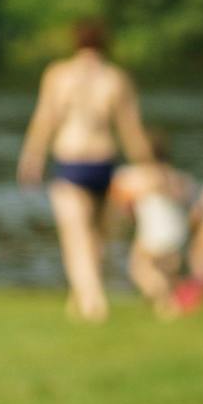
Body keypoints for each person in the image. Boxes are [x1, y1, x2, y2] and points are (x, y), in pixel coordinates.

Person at [17, 22, 153, 321]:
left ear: (75, 42)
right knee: (96, 238)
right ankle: (80, 297)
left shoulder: (59, 73)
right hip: (104, 162)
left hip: (71, 162)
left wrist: (31, 158)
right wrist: (149, 167)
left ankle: (94, 303)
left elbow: (45, 118)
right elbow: (131, 129)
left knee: (76, 238)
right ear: (106, 43)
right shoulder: (116, 77)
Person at [110, 141, 195, 318]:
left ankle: (168, 301)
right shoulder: (177, 176)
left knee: (139, 269)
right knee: (166, 269)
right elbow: (188, 200)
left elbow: (122, 199)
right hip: (177, 228)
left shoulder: (139, 175)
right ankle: (167, 302)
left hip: (155, 227)